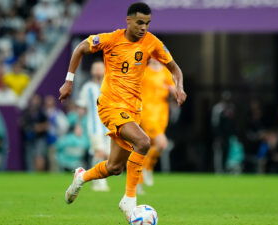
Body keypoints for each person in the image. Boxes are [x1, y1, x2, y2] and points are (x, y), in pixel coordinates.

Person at [58, 2, 187, 220]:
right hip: (110, 105)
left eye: (147, 23)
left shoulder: (152, 43)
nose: (144, 27)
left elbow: (174, 68)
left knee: (115, 167)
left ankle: (81, 177)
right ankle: (129, 200)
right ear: (128, 21)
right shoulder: (110, 39)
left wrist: (179, 87)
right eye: (139, 22)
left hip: (132, 110)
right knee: (144, 142)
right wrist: (68, 82)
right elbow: (80, 47)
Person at [138, 58, 175, 190]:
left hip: (162, 115)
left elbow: (175, 93)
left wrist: (171, 90)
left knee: (149, 147)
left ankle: (140, 178)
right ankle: (146, 169)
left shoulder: (166, 72)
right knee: (162, 143)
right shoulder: (144, 71)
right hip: (147, 113)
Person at [77, 61, 111, 192]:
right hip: (94, 126)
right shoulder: (88, 87)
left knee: (108, 155)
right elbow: (81, 108)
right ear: (91, 71)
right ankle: (100, 182)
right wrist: (78, 125)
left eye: (99, 68)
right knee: (99, 152)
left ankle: (92, 177)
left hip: (109, 127)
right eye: (95, 68)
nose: (97, 71)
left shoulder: (110, 85)